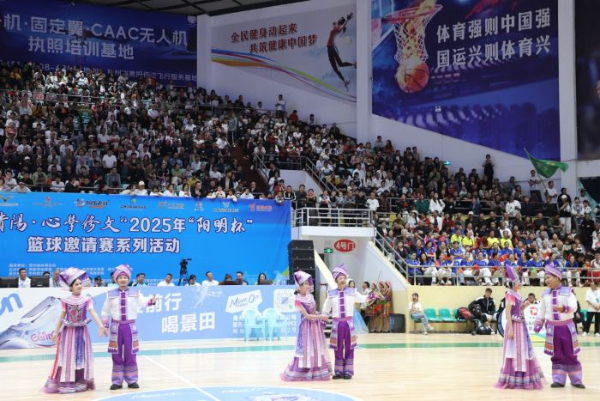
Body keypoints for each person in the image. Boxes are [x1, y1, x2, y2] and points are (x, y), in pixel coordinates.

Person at [43, 268, 108, 393]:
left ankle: (80, 380)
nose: (79, 286)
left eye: (80, 284)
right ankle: (67, 381)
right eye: (76, 284)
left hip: (82, 332)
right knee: (68, 356)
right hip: (68, 333)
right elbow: (61, 317)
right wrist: (55, 332)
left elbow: (93, 312)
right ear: (71, 287)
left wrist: (101, 325)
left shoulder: (87, 299)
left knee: (81, 356)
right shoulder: (65, 300)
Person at [101, 264, 156, 390]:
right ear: (116, 279)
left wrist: (152, 300)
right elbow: (105, 311)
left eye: (125, 277)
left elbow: (145, 302)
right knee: (116, 354)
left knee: (131, 353)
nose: (123, 279)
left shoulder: (135, 293)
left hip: (130, 327)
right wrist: (105, 325)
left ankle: (132, 380)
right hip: (116, 327)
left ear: (129, 279)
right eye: (120, 277)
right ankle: (117, 381)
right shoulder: (110, 294)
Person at [534, 264, 585, 389]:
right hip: (552, 329)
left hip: (567, 328)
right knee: (556, 354)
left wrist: (564, 309)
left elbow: (574, 306)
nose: (546, 280)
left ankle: (576, 380)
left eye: (548, 278)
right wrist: (538, 324)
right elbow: (541, 311)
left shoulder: (568, 292)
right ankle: (558, 380)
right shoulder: (545, 294)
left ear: (557, 277)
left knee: (570, 353)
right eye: (545, 278)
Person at [322, 264, 375, 380]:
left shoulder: (352, 292)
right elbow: (325, 309)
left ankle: (348, 371)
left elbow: (363, 299)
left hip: (349, 324)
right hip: (336, 324)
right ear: (336, 280)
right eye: (340, 278)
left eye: (344, 278)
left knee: (350, 347)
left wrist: (371, 296)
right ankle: (338, 371)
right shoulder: (331, 294)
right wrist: (323, 320)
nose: (342, 280)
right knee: (337, 348)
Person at [495, 264, 544, 389]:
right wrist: (511, 329)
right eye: (518, 281)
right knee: (513, 350)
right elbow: (508, 312)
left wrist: (525, 306)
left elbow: (518, 310)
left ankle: (522, 376)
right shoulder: (510, 294)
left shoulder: (518, 295)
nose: (520, 283)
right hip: (514, 325)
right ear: (514, 283)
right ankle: (514, 376)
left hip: (521, 325)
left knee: (523, 349)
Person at [281, 271, 331, 381]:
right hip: (306, 327)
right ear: (299, 287)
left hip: (315, 326)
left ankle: (316, 370)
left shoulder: (311, 296)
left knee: (316, 347)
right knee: (307, 349)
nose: (308, 286)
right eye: (305, 284)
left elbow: (313, 311)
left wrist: (319, 315)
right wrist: (321, 317)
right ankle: (304, 371)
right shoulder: (297, 300)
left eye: (308, 283)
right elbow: (307, 316)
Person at [327, 13, 355, 91]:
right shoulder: (336, 27)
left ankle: (353, 64)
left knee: (340, 64)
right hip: (329, 49)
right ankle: (344, 81)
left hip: (332, 48)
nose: (338, 20)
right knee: (336, 68)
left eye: (339, 20)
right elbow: (334, 24)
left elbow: (341, 27)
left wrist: (347, 20)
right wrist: (335, 24)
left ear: (340, 22)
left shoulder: (338, 28)